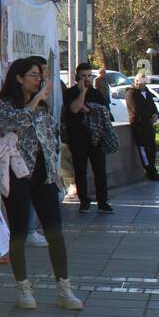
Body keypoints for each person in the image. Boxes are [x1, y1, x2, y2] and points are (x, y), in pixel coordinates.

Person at [0, 57, 82, 310]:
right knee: (19, 232)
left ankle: (64, 288)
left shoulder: (42, 107)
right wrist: (35, 100)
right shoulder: (5, 105)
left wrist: (54, 169)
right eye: (33, 75)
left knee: (55, 231)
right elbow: (17, 121)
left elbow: (52, 135)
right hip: (18, 175)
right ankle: (23, 287)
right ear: (19, 78)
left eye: (39, 75)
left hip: (44, 175)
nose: (38, 80)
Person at [63, 62, 113, 213]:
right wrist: (82, 93)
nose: (86, 79)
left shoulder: (97, 93)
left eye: (89, 76)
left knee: (99, 170)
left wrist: (89, 108)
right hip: (77, 137)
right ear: (77, 76)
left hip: (95, 137)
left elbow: (105, 112)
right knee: (80, 169)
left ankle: (103, 202)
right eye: (83, 76)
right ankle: (84, 201)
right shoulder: (70, 92)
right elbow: (74, 108)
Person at [125, 73, 159, 181]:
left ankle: (153, 169)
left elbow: (152, 105)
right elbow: (136, 110)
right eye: (141, 83)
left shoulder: (146, 91)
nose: (143, 86)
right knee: (143, 149)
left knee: (151, 148)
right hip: (139, 126)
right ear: (136, 82)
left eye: (144, 83)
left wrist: (155, 115)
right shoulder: (131, 93)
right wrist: (149, 115)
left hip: (148, 125)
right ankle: (150, 171)